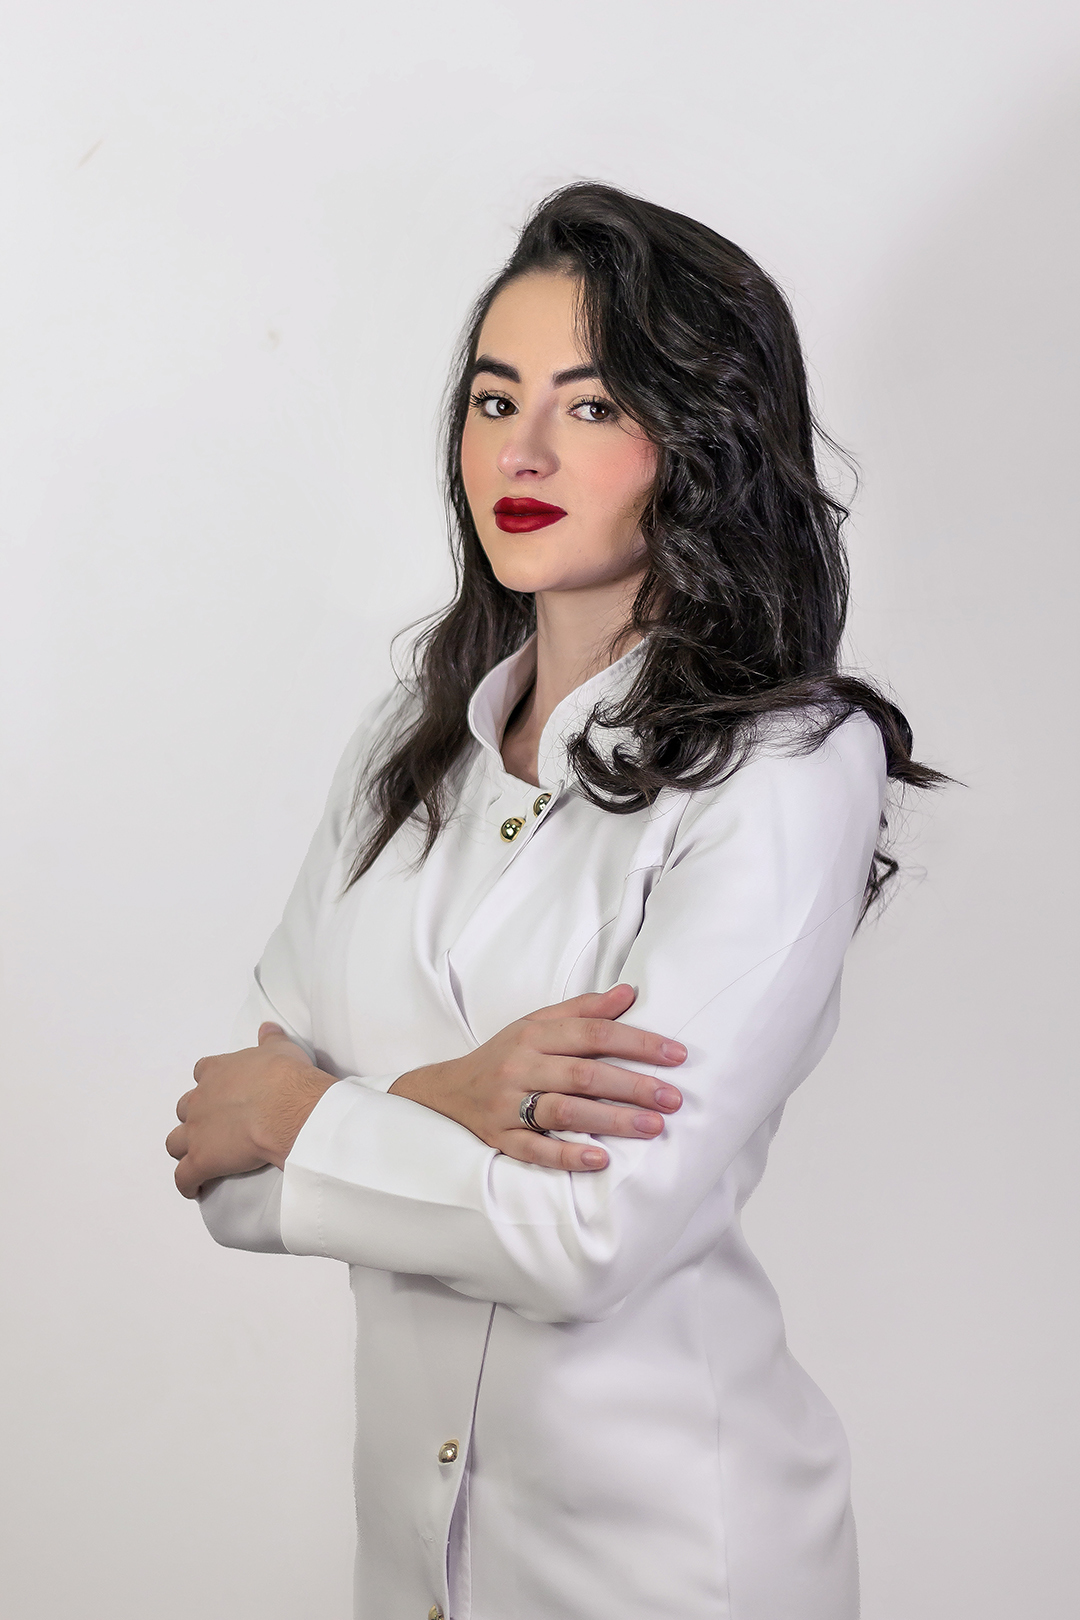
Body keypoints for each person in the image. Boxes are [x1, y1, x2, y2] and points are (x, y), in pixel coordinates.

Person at [166, 182, 941, 1620]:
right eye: (493, 398)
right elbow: (222, 1154)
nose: (519, 450)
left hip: (671, 1569)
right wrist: (449, 1100)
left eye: (591, 405)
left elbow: (588, 1240)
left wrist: (313, 1116)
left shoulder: (786, 765)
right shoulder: (406, 745)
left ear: (698, 438)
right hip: (415, 1571)